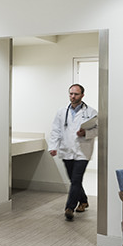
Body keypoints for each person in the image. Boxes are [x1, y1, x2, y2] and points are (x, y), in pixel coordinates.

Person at [47, 84, 98, 222]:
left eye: (75, 94)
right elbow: (55, 130)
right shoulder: (61, 112)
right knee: (74, 180)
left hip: (82, 151)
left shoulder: (92, 112)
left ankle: (69, 208)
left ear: (82, 95)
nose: (72, 96)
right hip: (66, 150)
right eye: (70, 94)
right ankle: (84, 201)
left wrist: (86, 133)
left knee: (76, 179)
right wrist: (53, 146)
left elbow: (98, 130)